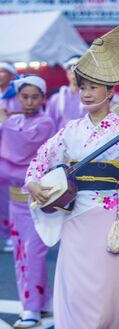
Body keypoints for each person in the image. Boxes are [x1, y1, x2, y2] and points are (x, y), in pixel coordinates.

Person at [25, 25, 119, 329]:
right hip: (76, 218)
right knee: (76, 293)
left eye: (93, 87)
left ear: (110, 91)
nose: (86, 93)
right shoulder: (70, 130)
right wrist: (34, 182)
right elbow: (40, 160)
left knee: (111, 295)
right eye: (83, 86)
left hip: (111, 216)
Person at [0, 75, 55, 328]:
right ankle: (38, 304)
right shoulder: (13, 120)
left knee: (33, 252)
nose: (29, 101)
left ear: (43, 98)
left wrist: (3, 122)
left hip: (35, 199)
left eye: (35, 97)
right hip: (14, 200)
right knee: (21, 253)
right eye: (24, 97)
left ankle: (32, 307)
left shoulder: (45, 122)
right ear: (17, 97)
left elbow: (21, 146)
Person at [0, 61, 19, 252]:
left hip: (9, 152)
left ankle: (10, 233)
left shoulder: (16, 98)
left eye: (3, 71)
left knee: (7, 195)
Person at [46, 56, 86, 130]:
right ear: (67, 73)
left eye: (78, 70)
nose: (74, 74)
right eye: (71, 70)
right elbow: (49, 126)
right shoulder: (55, 99)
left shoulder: (92, 97)